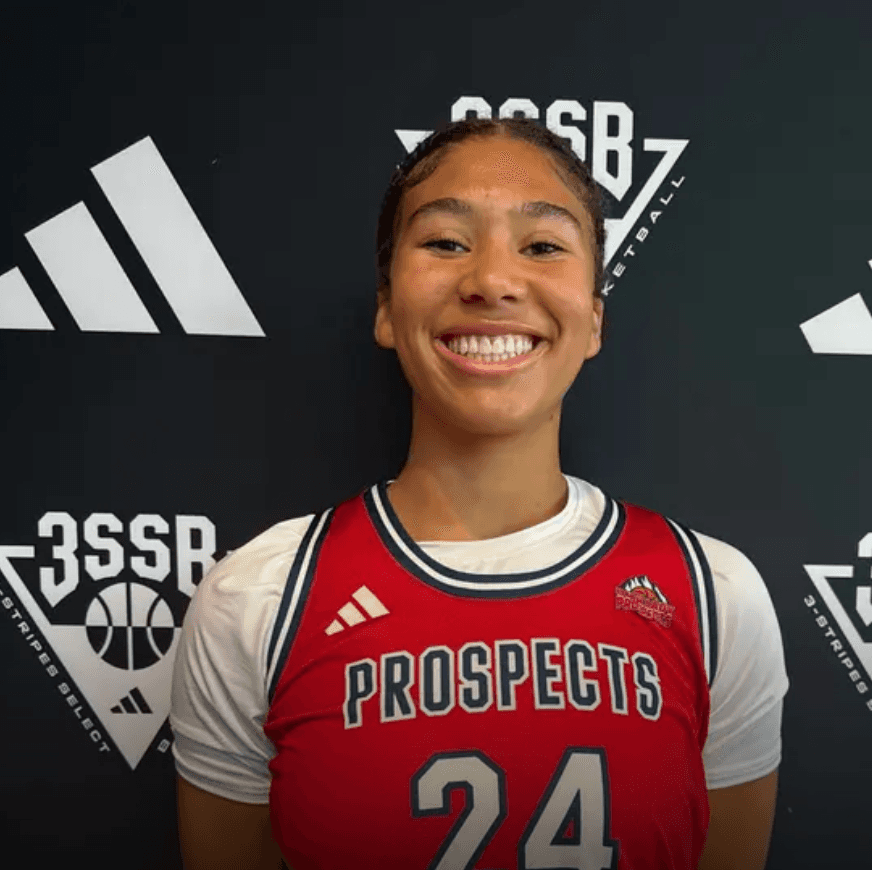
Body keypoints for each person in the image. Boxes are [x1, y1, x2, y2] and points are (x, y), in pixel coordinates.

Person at [171, 116, 789, 870]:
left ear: (594, 319)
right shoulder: (258, 600)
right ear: (385, 308)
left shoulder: (711, 594)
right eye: (445, 242)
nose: (492, 281)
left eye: (543, 246)